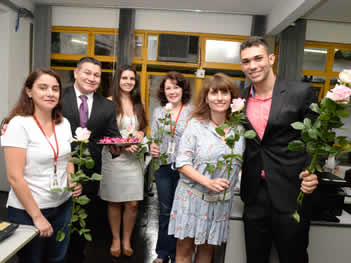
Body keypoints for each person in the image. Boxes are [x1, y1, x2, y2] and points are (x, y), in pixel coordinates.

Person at [239, 36, 319, 263]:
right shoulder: (240, 97)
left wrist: (314, 172)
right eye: (246, 61)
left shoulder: (300, 92)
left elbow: (319, 139)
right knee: (255, 258)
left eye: (258, 58)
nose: (252, 66)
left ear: (271, 59)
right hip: (254, 194)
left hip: (291, 192)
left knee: (293, 257)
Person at [1, 68, 82, 263]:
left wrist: (72, 180)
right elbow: (14, 177)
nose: (50, 93)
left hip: (62, 206)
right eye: (43, 87)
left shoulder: (64, 124)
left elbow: (67, 160)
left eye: (55, 89)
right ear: (29, 91)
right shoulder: (18, 124)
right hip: (29, 211)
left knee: (57, 258)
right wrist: (37, 217)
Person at [168, 73, 245, 263]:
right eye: (214, 93)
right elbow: (182, 163)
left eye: (224, 92)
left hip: (219, 203)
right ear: (206, 97)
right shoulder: (195, 125)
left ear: (232, 97)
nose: (219, 98)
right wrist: (207, 182)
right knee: (184, 251)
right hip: (191, 198)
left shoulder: (240, 129)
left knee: (207, 252)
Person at [62, 57, 121, 262]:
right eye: (87, 73)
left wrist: (122, 146)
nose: (92, 78)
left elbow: (113, 136)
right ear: (76, 73)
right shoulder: (58, 96)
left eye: (96, 75)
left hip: (90, 171)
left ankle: (76, 256)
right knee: (57, 215)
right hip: (58, 166)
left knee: (82, 221)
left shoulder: (107, 106)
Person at [99, 65, 147, 258]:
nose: (128, 82)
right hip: (115, 158)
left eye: (132, 79)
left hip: (134, 160)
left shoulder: (139, 103)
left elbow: (143, 128)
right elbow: (102, 134)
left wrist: (140, 134)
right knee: (114, 201)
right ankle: (116, 239)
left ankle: (127, 239)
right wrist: (125, 145)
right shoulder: (108, 103)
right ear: (117, 80)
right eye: (124, 78)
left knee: (133, 203)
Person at [150, 71, 193, 263]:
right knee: (165, 210)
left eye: (176, 87)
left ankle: (179, 253)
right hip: (164, 167)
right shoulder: (159, 112)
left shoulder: (191, 112)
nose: (172, 91)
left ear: (182, 89)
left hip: (185, 168)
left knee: (182, 211)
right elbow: (154, 138)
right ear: (163, 91)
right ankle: (162, 252)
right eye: (168, 88)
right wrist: (152, 147)